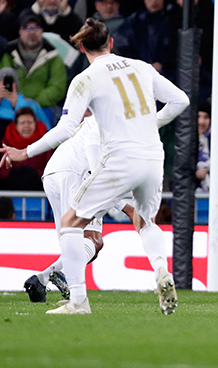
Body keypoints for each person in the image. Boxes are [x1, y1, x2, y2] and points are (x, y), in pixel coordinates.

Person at [0, 18, 189, 315]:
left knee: (73, 226)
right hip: (152, 156)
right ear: (111, 43)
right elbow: (180, 100)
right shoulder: (142, 67)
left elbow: (65, 128)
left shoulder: (86, 79)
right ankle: (162, 270)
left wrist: (25, 152)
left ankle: (77, 301)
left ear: (82, 47)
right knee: (145, 221)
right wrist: (153, 121)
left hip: (113, 158)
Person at [23, 115, 135, 303]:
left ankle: (42, 281)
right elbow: (98, 173)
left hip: (52, 173)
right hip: (76, 174)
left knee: (72, 244)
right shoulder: (117, 121)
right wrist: (128, 208)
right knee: (93, 241)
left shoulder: (109, 115)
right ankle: (66, 282)